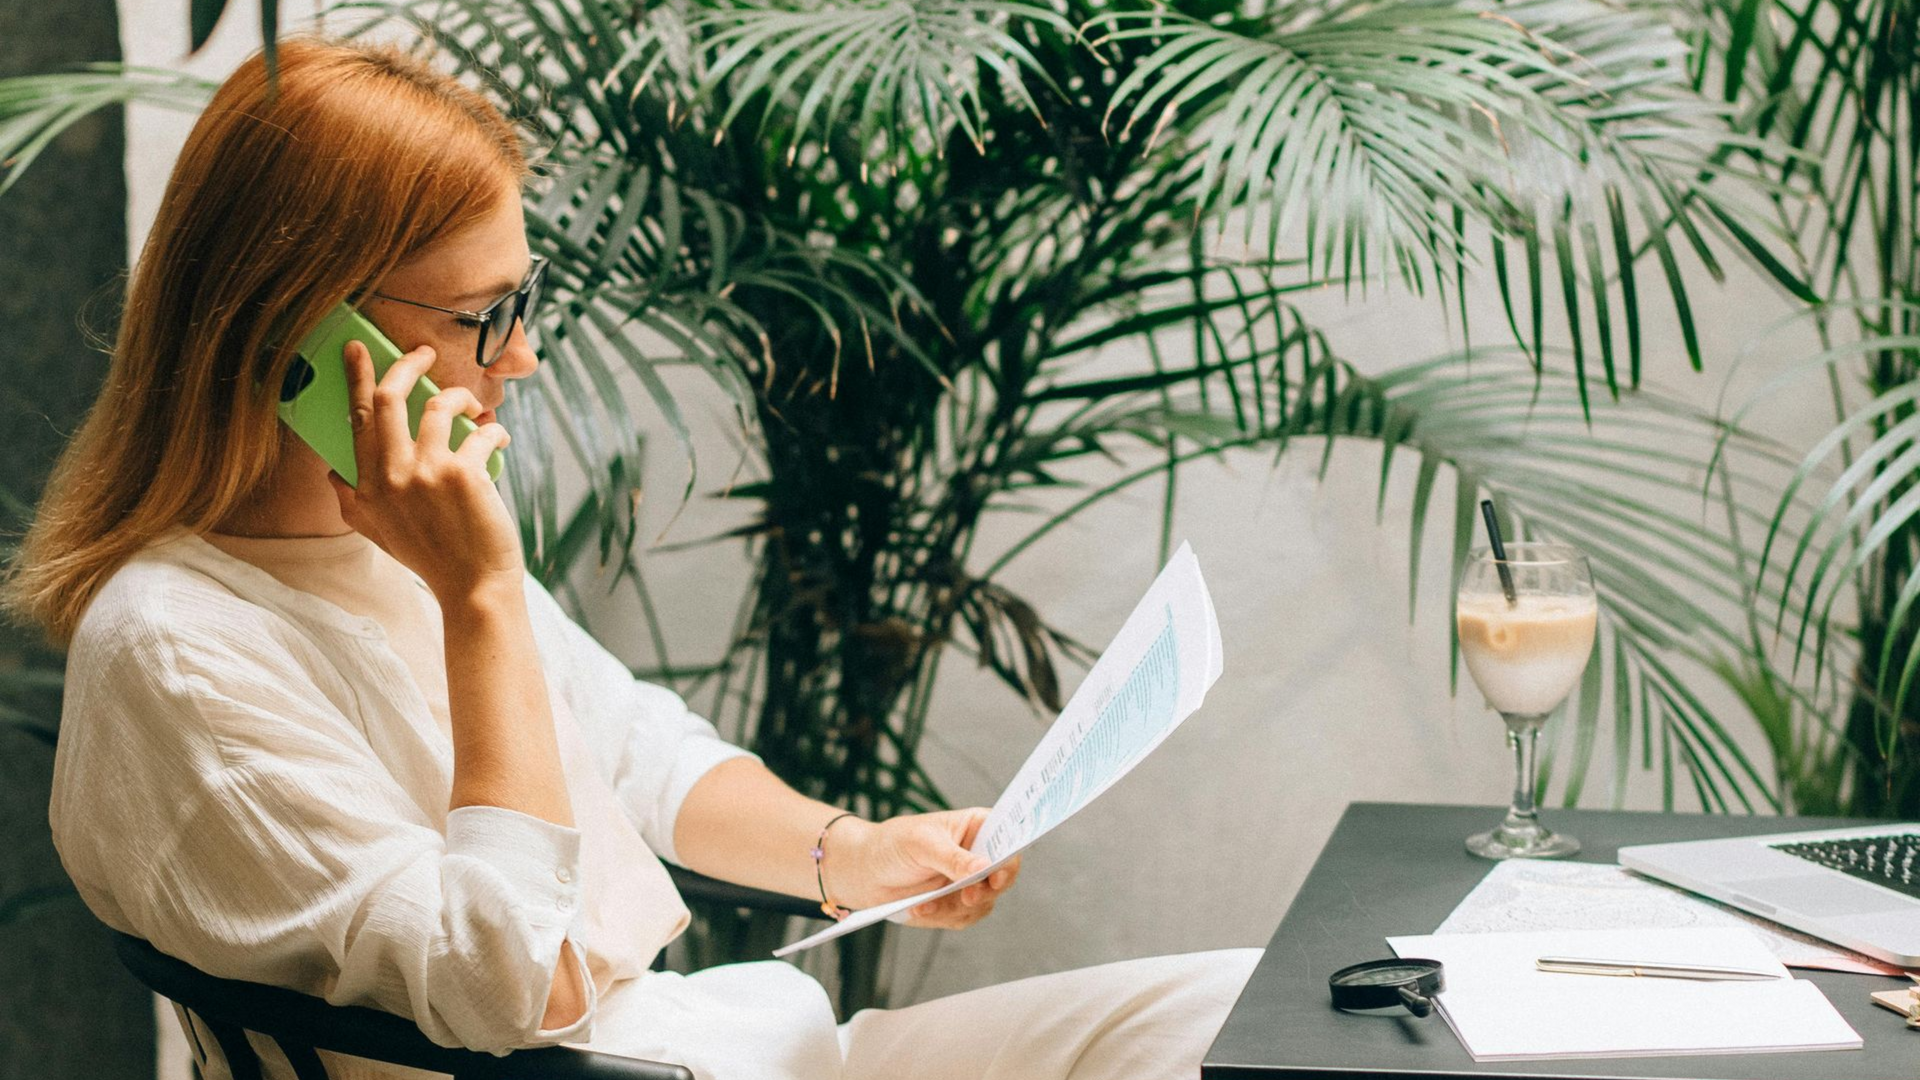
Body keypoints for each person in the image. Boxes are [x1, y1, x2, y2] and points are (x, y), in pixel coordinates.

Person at [0, 35, 1260, 1080]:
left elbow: (641, 754)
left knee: (1253, 1007)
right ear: (305, 331)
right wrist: (480, 596)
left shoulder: (385, 538)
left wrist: (849, 852)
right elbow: (506, 982)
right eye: (488, 317)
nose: (526, 360)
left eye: (525, 302)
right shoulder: (175, 649)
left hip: (708, 1049)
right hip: (623, 1070)